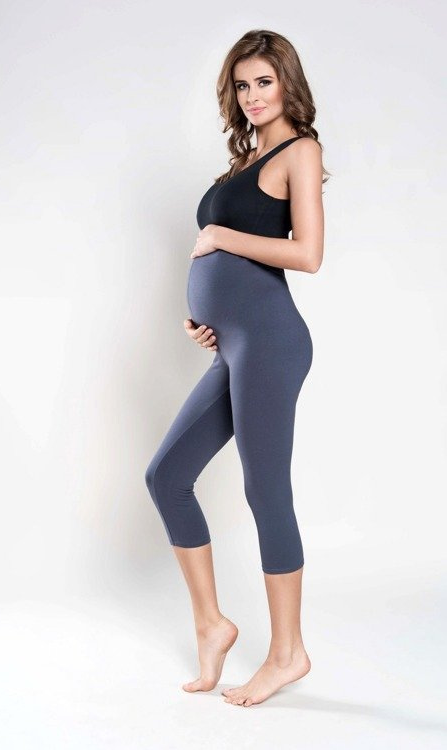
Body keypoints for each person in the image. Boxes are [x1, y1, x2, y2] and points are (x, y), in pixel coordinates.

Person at [145, 28, 329, 707]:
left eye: (264, 82)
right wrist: (205, 316)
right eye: (243, 84)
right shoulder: (244, 159)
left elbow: (308, 254)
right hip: (237, 344)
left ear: (287, 83)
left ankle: (288, 654)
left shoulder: (300, 150)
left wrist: (220, 236)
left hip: (273, 341)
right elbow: (229, 272)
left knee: (265, 488)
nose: (253, 95)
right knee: (166, 476)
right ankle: (212, 625)